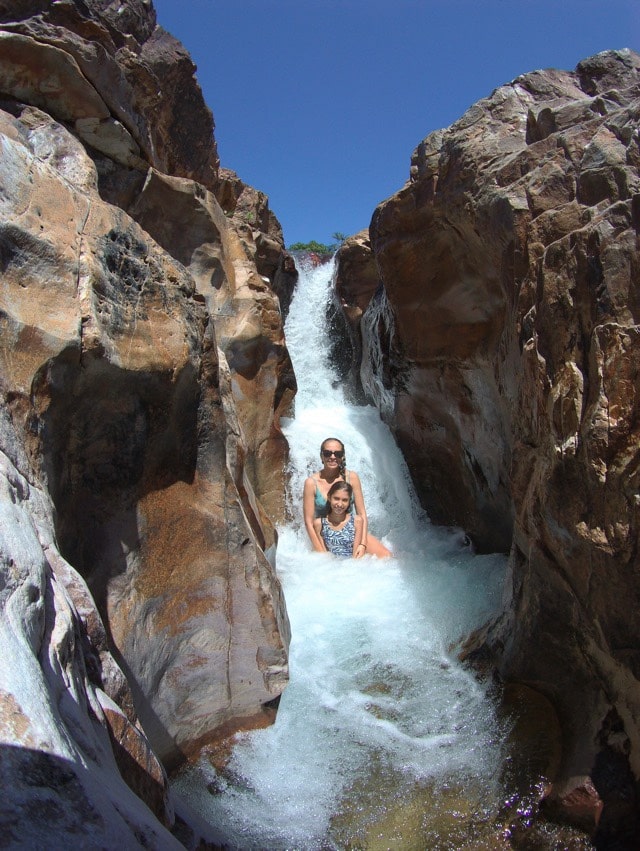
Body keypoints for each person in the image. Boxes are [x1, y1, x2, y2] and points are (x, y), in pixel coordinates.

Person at [303, 437, 392, 558]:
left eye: (337, 454)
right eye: (328, 453)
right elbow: (308, 522)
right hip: (325, 535)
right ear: (321, 456)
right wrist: (321, 554)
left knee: (386, 556)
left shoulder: (352, 477)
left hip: (351, 530)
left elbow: (362, 514)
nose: (333, 457)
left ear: (342, 457)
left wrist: (362, 544)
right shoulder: (311, 483)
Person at [313, 481, 364, 557]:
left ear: (349, 501)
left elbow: (355, 556)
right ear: (329, 497)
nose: (340, 504)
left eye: (344, 500)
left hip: (351, 565)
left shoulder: (357, 521)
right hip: (331, 565)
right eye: (336, 499)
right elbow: (324, 555)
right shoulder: (319, 524)